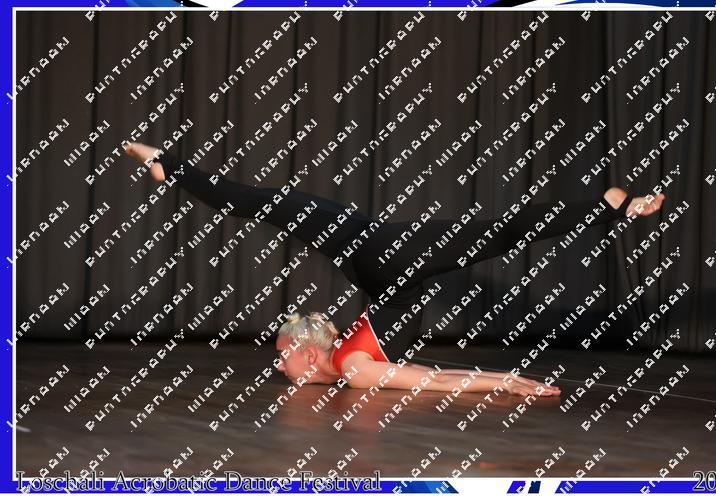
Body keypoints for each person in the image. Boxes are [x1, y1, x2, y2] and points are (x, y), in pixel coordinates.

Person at [125, 142, 665, 397]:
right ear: (311, 355)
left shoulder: (351, 367)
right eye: (282, 353)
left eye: (282, 354)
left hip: (382, 264)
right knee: (498, 233)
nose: (278, 361)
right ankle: (608, 209)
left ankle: (170, 167)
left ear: (311, 354)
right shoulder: (351, 367)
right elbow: (436, 378)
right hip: (387, 264)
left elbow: (433, 377)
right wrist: (504, 382)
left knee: (272, 203)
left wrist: (504, 383)